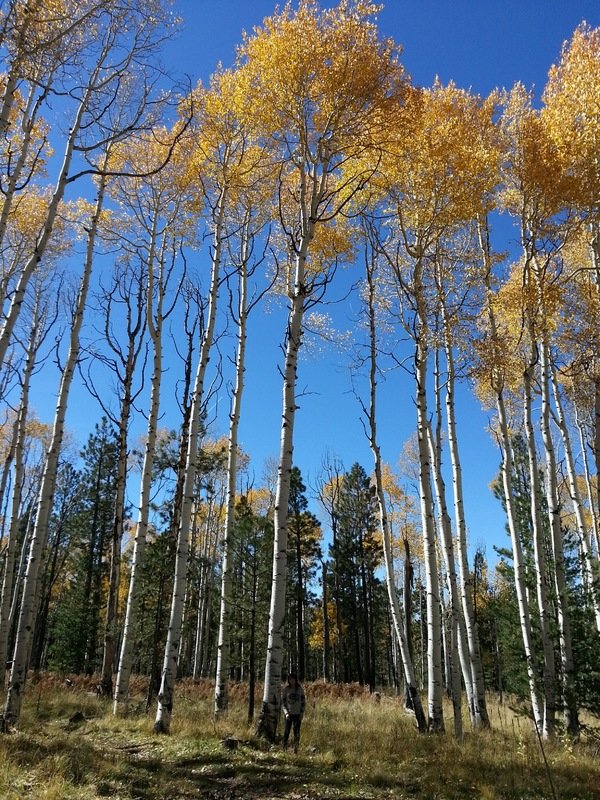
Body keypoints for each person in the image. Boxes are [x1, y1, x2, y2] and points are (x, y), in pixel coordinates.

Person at [282, 672, 305, 753]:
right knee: (286, 732)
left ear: (295, 679)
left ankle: (296, 749)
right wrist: (286, 713)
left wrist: (302, 713)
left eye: (293, 679)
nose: (291, 681)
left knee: (297, 732)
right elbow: (283, 703)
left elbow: (303, 702)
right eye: (290, 679)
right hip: (288, 714)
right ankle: (284, 749)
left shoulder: (300, 689)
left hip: (297, 714)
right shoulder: (286, 689)